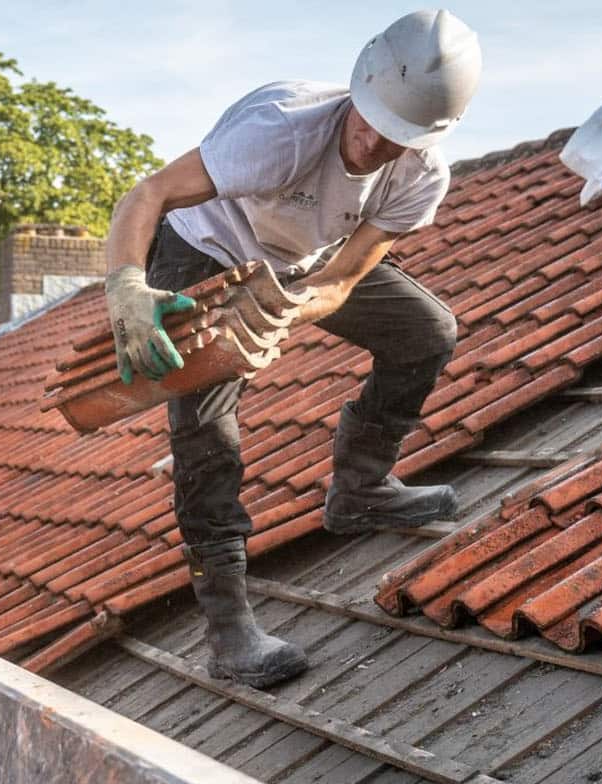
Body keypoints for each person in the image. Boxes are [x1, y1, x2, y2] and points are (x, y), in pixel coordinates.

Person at [103, 10, 482, 688]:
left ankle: (361, 488)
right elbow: (149, 192)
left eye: (395, 137)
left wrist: (291, 309)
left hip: (302, 263)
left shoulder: (421, 176)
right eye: (368, 119)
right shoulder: (278, 129)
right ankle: (228, 629)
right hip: (206, 247)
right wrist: (128, 285)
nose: (371, 143)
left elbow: (343, 278)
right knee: (208, 430)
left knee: (427, 331)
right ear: (357, 89)